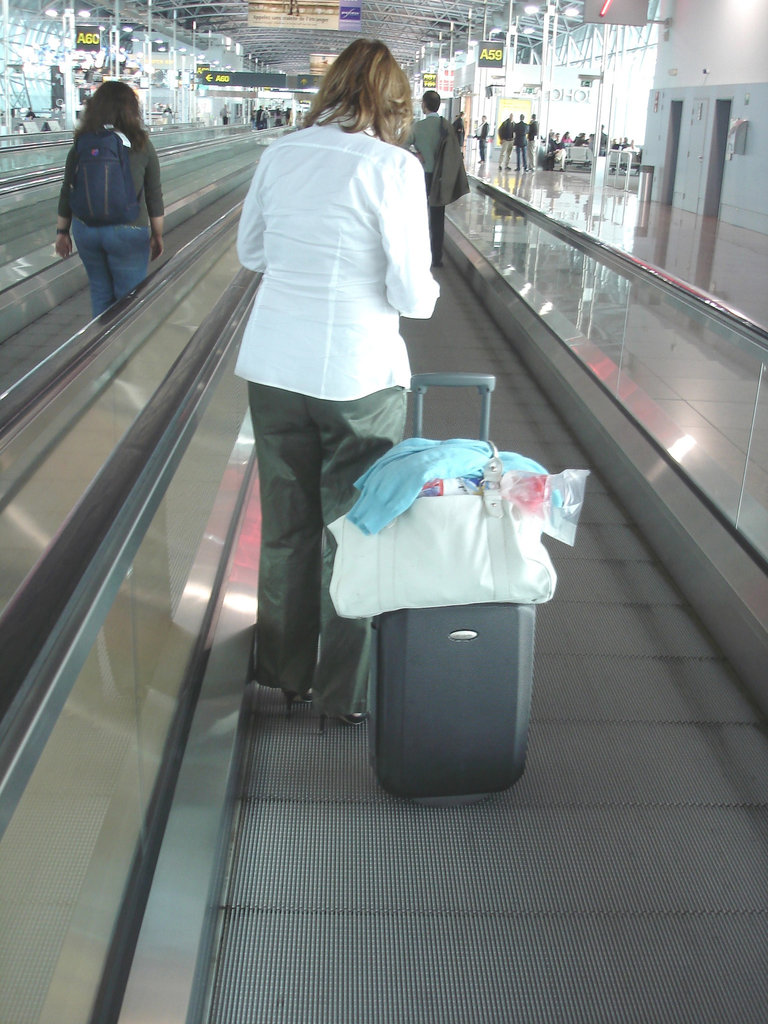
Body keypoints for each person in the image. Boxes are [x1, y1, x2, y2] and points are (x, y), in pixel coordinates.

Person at [235, 38, 439, 725]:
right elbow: (412, 294)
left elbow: (251, 252)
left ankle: (285, 674)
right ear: (390, 101)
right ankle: (342, 694)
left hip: (273, 367)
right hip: (358, 375)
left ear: (331, 92)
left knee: (287, 528)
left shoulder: (279, 154)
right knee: (356, 531)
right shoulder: (394, 168)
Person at [55, 80, 164, 317]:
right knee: (129, 298)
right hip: (129, 230)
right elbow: (154, 194)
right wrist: (157, 234)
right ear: (131, 110)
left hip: (86, 230)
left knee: (100, 291)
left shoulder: (81, 143)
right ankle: (122, 350)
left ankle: (100, 348)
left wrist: (61, 232)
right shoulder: (141, 144)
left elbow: (68, 188)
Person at [410, 88, 452, 268]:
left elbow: (401, 146)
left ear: (424, 105)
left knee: (417, 215)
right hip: (441, 177)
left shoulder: (417, 127)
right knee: (437, 217)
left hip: (422, 176)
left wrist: (416, 154)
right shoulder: (446, 126)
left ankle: (417, 254)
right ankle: (436, 258)